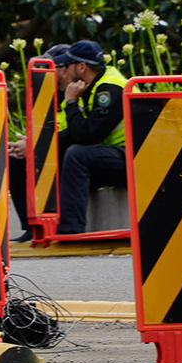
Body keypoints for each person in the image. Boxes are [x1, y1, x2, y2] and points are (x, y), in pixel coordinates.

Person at [52, 39, 129, 235]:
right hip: (113, 155)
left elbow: (88, 135)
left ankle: (70, 229)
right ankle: (42, 225)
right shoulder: (90, 87)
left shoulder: (109, 89)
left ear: (81, 67)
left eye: (68, 65)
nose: (65, 71)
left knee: (77, 154)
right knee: (57, 154)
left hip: (133, 157)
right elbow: (78, 132)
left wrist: (71, 103)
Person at [5, 43, 70, 233]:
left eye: (49, 68)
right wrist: (30, 143)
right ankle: (31, 229)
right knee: (14, 159)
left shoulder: (78, 91)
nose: (44, 72)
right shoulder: (48, 95)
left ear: (64, 70)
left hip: (74, 151)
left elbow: (77, 133)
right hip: (57, 149)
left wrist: (35, 146)